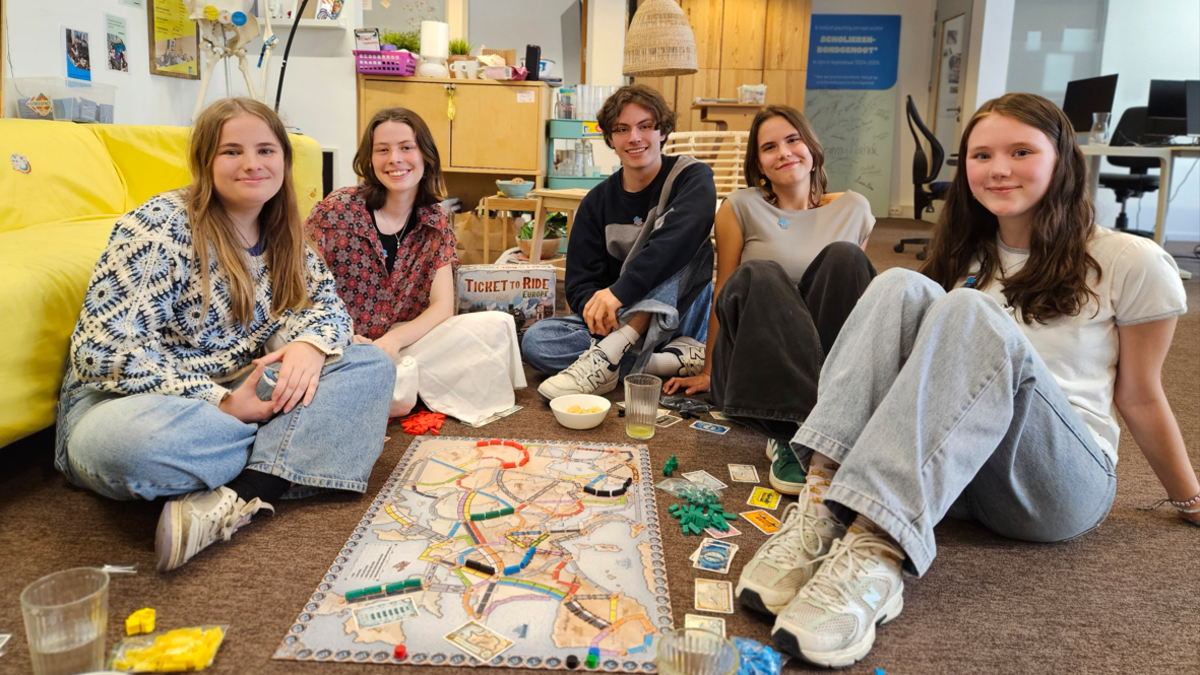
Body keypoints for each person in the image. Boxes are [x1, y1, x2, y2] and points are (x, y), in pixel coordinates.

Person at [734, 93, 1196, 667]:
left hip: (1057, 484)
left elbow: (1141, 394)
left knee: (970, 311)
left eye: (1021, 151)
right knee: (898, 285)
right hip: (959, 476)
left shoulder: (1131, 260)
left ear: (1061, 160)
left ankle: (879, 553)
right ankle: (825, 506)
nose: (998, 169)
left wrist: (1189, 495)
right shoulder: (964, 252)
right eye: (981, 156)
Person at [56, 98, 397, 572]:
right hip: (135, 404)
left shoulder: (285, 233)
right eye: (231, 152)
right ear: (204, 162)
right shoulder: (160, 226)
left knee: (372, 365)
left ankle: (244, 494)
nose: (252, 164)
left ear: (284, 160)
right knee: (131, 449)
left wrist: (309, 346)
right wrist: (219, 402)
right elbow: (102, 355)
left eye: (266, 150)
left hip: (240, 389)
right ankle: (290, 454)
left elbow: (328, 310)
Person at [661, 105, 876, 495]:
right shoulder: (739, 207)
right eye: (770, 147)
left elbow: (852, 305)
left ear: (811, 148)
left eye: (793, 140)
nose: (784, 152)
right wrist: (710, 370)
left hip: (829, 368)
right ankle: (788, 430)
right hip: (754, 366)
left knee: (846, 258)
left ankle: (831, 414)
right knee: (761, 273)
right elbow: (724, 293)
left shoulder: (854, 209)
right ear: (759, 163)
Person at [306, 108, 525, 424]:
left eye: (406, 147)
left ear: (425, 156)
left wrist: (392, 343)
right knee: (323, 362)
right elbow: (299, 290)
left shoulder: (435, 220)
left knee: (496, 325)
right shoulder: (337, 210)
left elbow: (442, 307)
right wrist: (340, 337)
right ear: (370, 160)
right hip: (342, 343)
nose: (394, 158)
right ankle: (391, 386)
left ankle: (389, 384)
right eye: (382, 149)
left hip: (402, 341)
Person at [522, 84, 717, 399]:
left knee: (688, 248)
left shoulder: (691, 177)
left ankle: (609, 357)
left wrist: (619, 292)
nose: (634, 138)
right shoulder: (596, 202)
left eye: (645, 126)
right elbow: (579, 284)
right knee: (536, 341)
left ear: (663, 131)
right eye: (622, 129)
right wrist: (600, 312)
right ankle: (664, 363)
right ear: (610, 139)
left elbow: (678, 242)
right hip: (622, 319)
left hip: (681, 318)